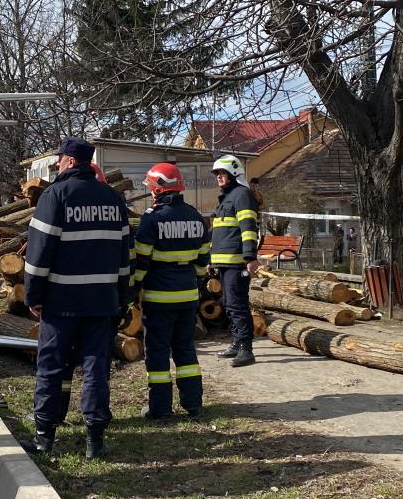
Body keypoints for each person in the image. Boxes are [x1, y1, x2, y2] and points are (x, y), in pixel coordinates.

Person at [22, 137, 130, 458]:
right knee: (97, 369)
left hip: (61, 302)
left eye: (59, 160)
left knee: (51, 367)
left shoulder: (54, 196)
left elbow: (38, 255)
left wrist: (33, 296)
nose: (56, 165)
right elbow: (125, 257)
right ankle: (95, 442)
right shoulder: (114, 199)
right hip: (102, 303)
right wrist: (120, 300)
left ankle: (44, 438)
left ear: (69, 161)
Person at [131, 163, 209, 420]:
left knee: (158, 352)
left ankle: (160, 408)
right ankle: (193, 404)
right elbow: (202, 261)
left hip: (158, 297)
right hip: (188, 295)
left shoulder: (152, 218)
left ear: (157, 188)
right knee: (185, 349)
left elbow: (142, 262)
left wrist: (133, 288)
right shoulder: (195, 217)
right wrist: (194, 283)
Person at [209, 154, 260, 367]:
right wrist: (211, 260)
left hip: (237, 262)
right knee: (229, 305)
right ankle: (237, 344)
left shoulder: (242, 195)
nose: (219, 177)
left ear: (234, 174)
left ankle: (246, 350)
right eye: (217, 174)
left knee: (238, 305)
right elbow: (219, 234)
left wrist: (250, 257)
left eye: (223, 173)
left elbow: (248, 228)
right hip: (224, 262)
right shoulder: (227, 198)